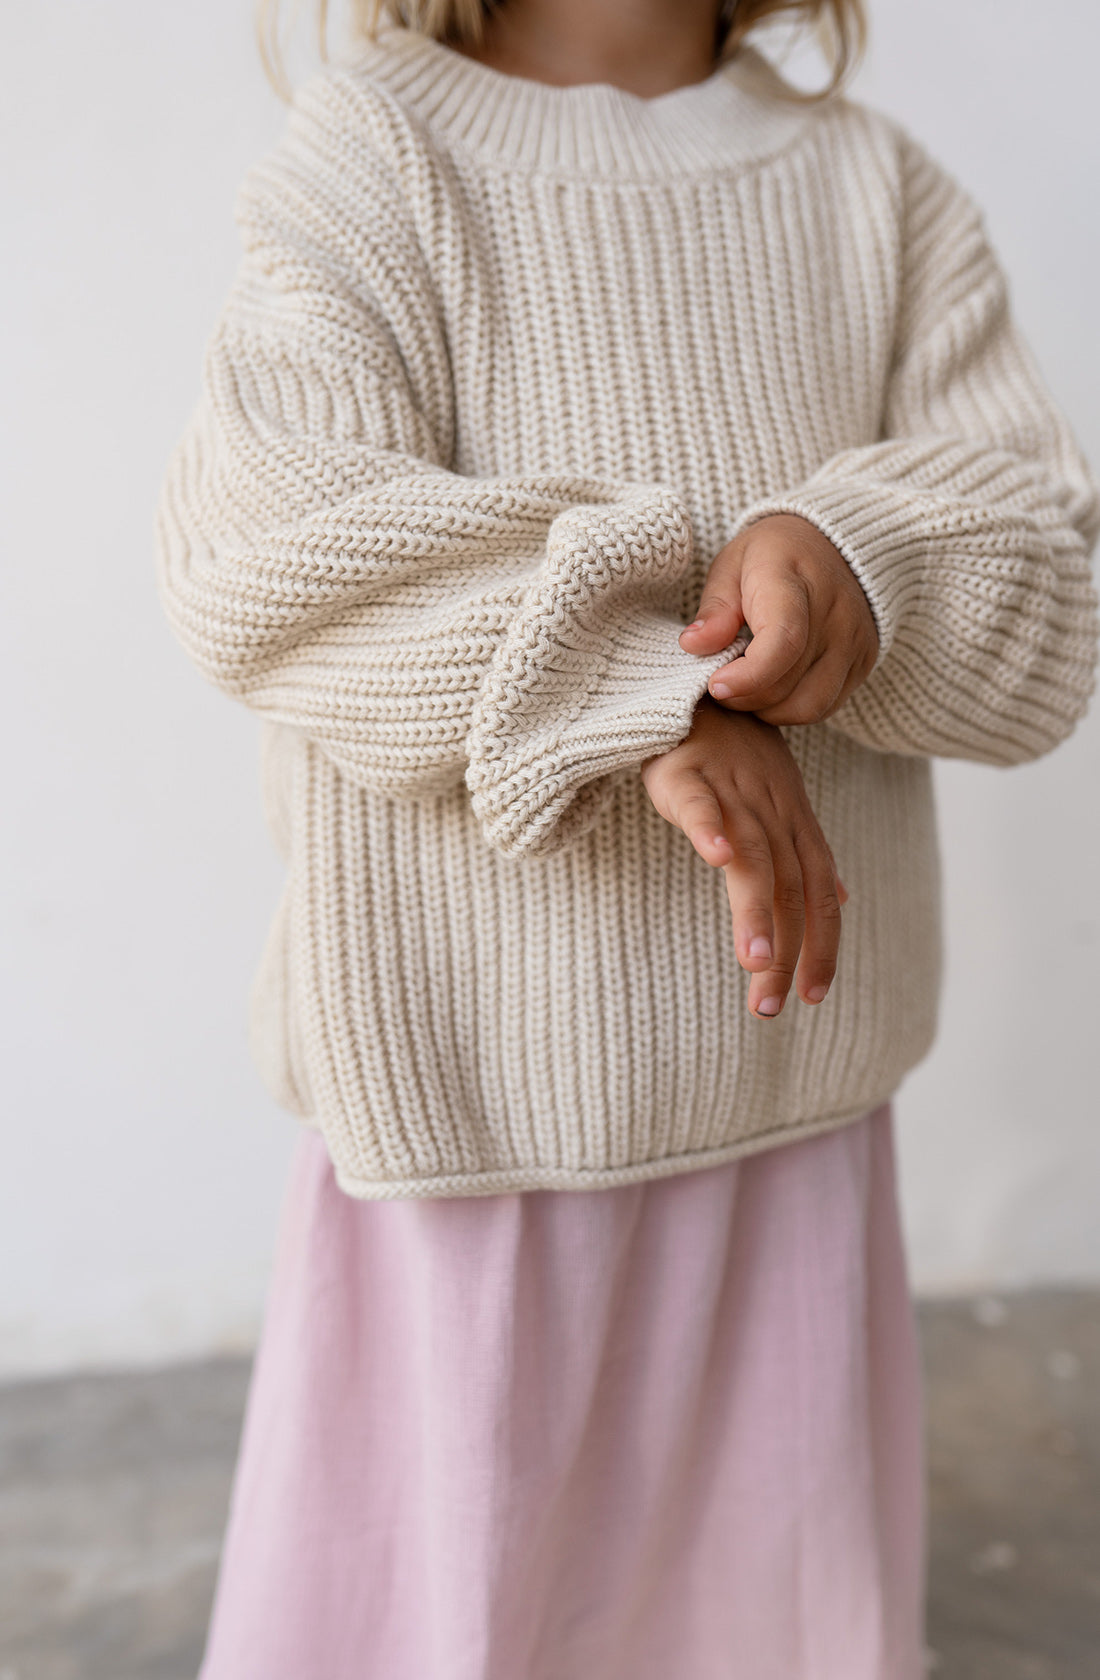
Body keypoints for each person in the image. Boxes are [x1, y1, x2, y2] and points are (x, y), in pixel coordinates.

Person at [154, 0, 1099, 1674]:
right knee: (447, 1615)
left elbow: (1050, 563)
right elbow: (264, 544)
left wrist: (861, 567)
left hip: (788, 1106)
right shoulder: (380, 158)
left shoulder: (871, 190)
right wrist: (626, 687)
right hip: (472, 1120)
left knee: (764, 1619)